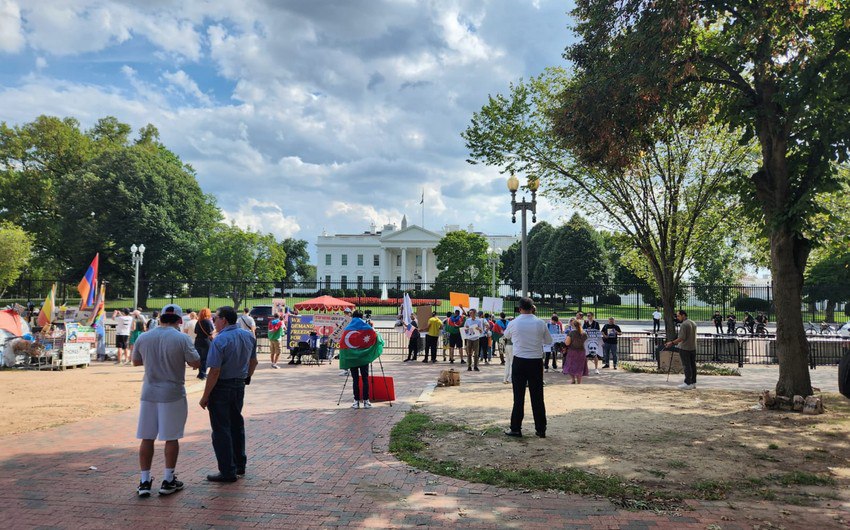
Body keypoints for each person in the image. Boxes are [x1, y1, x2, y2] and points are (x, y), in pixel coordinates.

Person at [132, 304, 201, 497]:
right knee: (171, 437)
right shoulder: (181, 338)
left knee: (147, 437)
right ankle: (168, 479)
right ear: (180, 320)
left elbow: (136, 361)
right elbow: (195, 362)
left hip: (149, 392)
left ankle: (144, 481)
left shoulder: (145, 337)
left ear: (161, 318)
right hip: (172, 393)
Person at [199, 306, 258, 482]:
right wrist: (246, 378)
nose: (213, 321)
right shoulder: (248, 336)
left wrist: (205, 396)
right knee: (236, 425)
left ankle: (227, 470)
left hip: (222, 387)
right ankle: (240, 465)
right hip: (239, 385)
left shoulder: (220, 340)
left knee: (221, 429)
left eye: (215, 318)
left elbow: (215, 370)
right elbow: (253, 361)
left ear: (223, 320)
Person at [503, 297, 552, 438]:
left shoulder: (514, 323)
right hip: (535, 361)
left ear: (519, 309)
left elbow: (506, 335)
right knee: (537, 396)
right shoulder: (540, 323)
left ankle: (516, 427)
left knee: (518, 396)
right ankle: (541, 428)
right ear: (532, 308)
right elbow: (548, 340)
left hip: (520, 360)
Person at [660, 310, 698, 390]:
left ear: (683, 315)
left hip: (685, 348)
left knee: (686, 365)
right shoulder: (693, 323)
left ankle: (688, 382)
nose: (677, 318)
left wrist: (672, 343)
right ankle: (693, 382)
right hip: (693, 347)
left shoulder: (684, 324)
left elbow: (681, 338)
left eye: (678, 316)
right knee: (692, 365)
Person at [564, 319, 589, 384]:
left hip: (572, 352)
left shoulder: (571, 333)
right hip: (582, 352)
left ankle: (573, 380)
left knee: (570, 366)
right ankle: (579, 382)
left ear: (573, 325)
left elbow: (567, 343)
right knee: (580, 366)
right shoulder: (584, 333)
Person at [194, 308, 215, 380]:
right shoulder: (208, 321)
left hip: (198, 341)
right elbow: (210, 333)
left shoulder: (198, 322)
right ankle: (202, 374)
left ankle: (200, 373)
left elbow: (195, 332)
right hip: (205, 341)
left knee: (200, 358)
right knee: (205, 359)